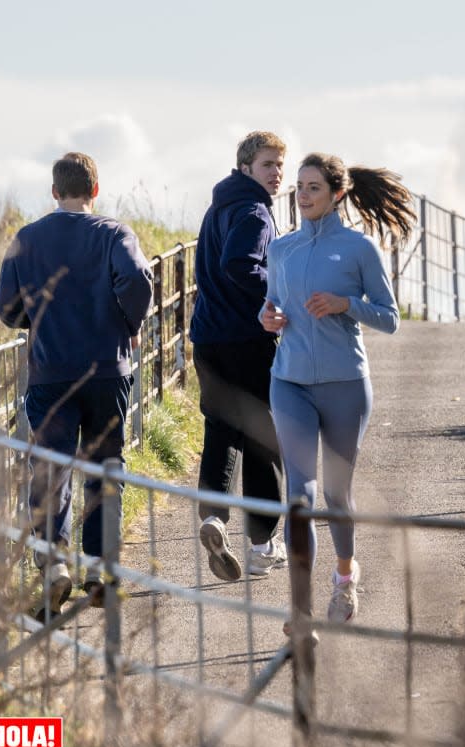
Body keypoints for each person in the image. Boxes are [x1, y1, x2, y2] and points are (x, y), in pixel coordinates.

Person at [0, 152, 153, 619]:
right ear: (95, 191)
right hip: (108, 369)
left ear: (55, 192)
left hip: (51, 372)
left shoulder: (28, 237)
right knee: (105, 467)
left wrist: (34, 322)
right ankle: (100, 569)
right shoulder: (114, 233)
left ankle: (53, 562)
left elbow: (5, 308)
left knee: (50, 466)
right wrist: (127, 321)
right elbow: (138, 278)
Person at [260, 151, 416, 627]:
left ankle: (346, 578)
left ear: (336, 195)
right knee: (299, 496)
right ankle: (299, 606)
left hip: (346, 385)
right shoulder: (281, 248)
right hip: (289, 382)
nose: (303, 196)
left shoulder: (358, 248)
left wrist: (345, 303)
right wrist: (268, 318)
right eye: (299, 188)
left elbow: (389, 318)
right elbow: (271, 307)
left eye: (313, 188)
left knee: (336, 495)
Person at [190, 131, 287, 581]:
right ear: (246, 167)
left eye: (280, 165)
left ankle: (214, 517)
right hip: (247, 339)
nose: (277, 173)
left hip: (208, 339)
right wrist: (275, 296)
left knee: (221, 431)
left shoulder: (218, 208)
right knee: (263, 438)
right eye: (268, 164)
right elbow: (240, 264)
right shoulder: (253, 210)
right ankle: (263, 545)